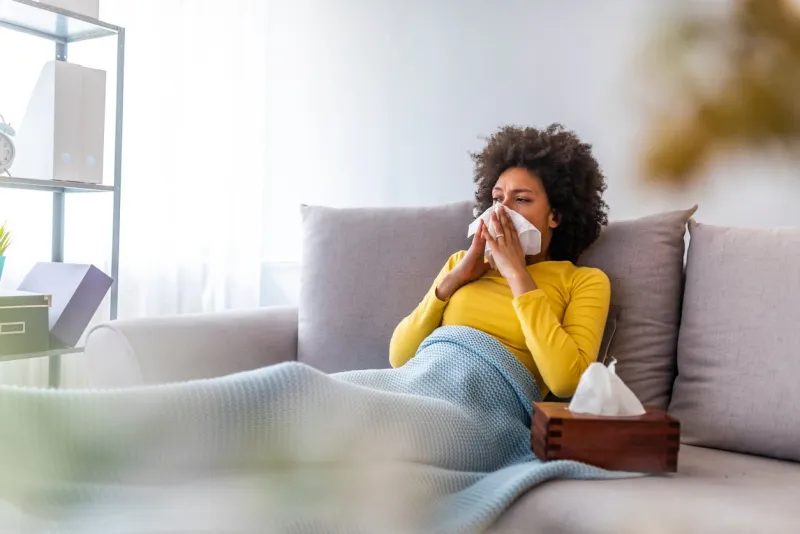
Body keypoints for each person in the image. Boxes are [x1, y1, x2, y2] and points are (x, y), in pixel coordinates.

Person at [389, 124, 610, 399]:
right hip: (418, 387)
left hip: (486, 405)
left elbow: (567, 382)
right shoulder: (462, 264)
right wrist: (452, 281)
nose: (501, 210)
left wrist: (518, 275)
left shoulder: (583, 281)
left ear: (556, 216)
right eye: (497, 198)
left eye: (521, 199)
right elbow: (399, 357)